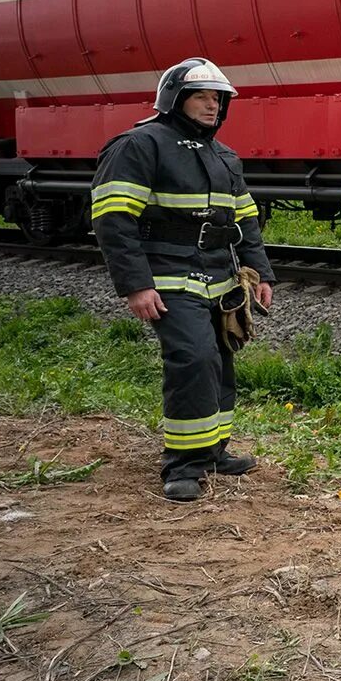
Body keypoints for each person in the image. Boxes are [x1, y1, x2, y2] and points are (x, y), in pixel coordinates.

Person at [90, 58, 276, 503]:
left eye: (217, 99)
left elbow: (246, 220)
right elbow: (113, 219)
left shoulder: (222, 155)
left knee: (219, 361)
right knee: (192, 358)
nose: (212, 107)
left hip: (220, 278)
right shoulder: (139, 145)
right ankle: (183, 465)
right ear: (174, 99)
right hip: (168, 276)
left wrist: (262, 274)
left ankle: (213, 452)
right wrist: (136, 284)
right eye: (201, 98)